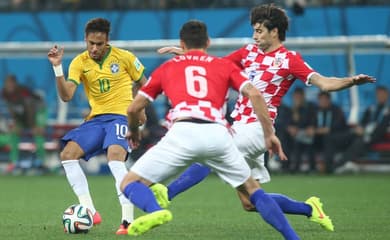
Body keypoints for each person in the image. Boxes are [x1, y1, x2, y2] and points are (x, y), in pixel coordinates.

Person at [155, 3, 375, 228]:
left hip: (258, 129)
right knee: (250, 201)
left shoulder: (289, 60)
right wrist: (188, 53)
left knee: (212, 151)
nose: (254, 36)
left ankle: (166, 194)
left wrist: (350, 81)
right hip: (239, 126)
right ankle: (310, 208)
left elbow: (324, 83)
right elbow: (215, 66)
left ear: (274, 31)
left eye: (259, 30)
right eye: (254, 30)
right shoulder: (247, 51)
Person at [120, 19, 301, 239]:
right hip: (218, 135)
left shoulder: (168, 67)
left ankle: (156, 211)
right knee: (253, 191)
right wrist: (269, 133)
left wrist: (135, 130)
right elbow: (254, 94)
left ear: (181, 43)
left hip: (182, 132)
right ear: (208, 41)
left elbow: (133, 108)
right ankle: (293, 237)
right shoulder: (222, 65)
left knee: (129, 183)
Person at [47, 17, 148, 235]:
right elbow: (66, 96)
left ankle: (128, 221)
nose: (94, 48)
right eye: (91, 43)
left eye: (99, 44)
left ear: (107, 41)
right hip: (96, 120)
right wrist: (57, 68)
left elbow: (146, 84)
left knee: (114, 157)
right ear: (85, 40)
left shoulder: (125, 57)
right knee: (68, 154)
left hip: (121, 117)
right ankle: (91, 211)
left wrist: (139, 109)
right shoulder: (79, 62)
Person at [324, 86, 390, 173]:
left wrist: (368, 134)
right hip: (361, 133)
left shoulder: (388, 111)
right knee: (333, 138)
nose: (380, 96)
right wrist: (359, 129)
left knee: (359, 142)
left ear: (387, 95)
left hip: (375, 137)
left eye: (382, 94)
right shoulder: (371, 109)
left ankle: (337, 166)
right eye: (378, 94)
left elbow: (382, 128)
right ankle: (328, 166)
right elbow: (363, 122)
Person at [1, 74, 47, 173]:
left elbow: (30, 108)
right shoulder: (4, 93)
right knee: (14, 132)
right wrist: (16, 123)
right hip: (23, 116)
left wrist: (33, 125)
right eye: (6, 84)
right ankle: (14, 162)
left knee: (38, 132)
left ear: (14, 84)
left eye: (10, 83)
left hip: (38, 110)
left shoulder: (22, 91)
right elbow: (12, 108)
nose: (8, 86)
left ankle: (41, 162)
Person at [313, 91, 348, 173]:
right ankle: (310, 167)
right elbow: (310, 124)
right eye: (321, 99)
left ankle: (328, 167)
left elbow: (339, 125)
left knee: (328, 138)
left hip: (334, 137)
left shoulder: (336, 110)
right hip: (318, 137)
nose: (323, 101)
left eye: (325, 99)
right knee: (306, 139)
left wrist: (326, 130)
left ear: (329, 100)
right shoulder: (314, 111)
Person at [285, 87, 316, 173]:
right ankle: (290, 167)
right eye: (295, 97)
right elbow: (291, 122)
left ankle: (312, 168)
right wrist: (295, 110)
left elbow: (309, 121)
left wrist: (311, 128)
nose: (297, 98)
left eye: (299, 96)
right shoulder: (291, 109)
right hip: (296, 134)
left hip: (308, 132)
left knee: (307, 140)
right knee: (291, 140)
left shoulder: (310, 106)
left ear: (303, 96)